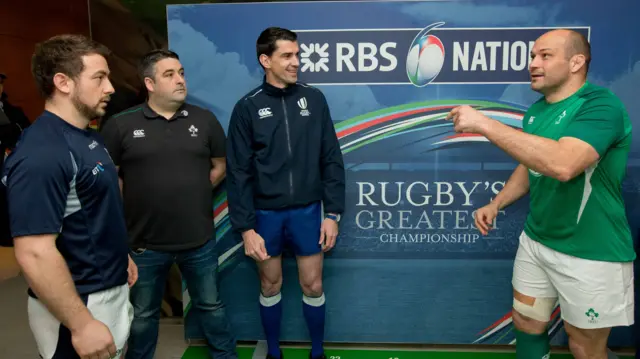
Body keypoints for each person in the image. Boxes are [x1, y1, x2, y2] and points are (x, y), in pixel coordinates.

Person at [446, 29, 635, 359]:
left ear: (576, 62)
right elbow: (530, 165)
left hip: (590, 251)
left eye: (544, 56)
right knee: (526, 321)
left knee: (583, 343)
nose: (533, 63)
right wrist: (497, 202)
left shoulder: (601, 106)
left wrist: (484, 124)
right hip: (536, 242)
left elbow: (563, 164)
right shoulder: (536, 111)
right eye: (533, 56)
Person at [1, 34, 137, 359]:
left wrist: (120, 256)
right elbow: (34, 252)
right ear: (63, 82)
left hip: (108, 289)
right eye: (99, 78)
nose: (111, 88)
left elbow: (92, 210)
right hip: (81, 304)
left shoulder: (86, 136)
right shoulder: (42, 153)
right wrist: (80, 324)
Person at [100, 49, 237, 359]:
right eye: (170, 74)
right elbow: (111, 177)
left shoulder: (204, 119)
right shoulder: (121, 125)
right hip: (144, 244)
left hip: (198, 240)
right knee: (144, 315)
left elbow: (220, 164)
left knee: (211, 306)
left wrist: (196, 189)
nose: (180, 80)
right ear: (150, 83)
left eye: (182, 73)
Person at [226, 27, 346, 359]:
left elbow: (331, 159)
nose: (296, 62)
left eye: (297, 55)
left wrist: (333, 214)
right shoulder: (247, 108)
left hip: (308, 212)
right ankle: (275, 353)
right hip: (266, 215)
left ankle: (317, 353)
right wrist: (246, 228)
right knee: (270, 285)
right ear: (265, 60)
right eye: (287, 56)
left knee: (314, 285)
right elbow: (238, 173)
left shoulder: (314, 99)